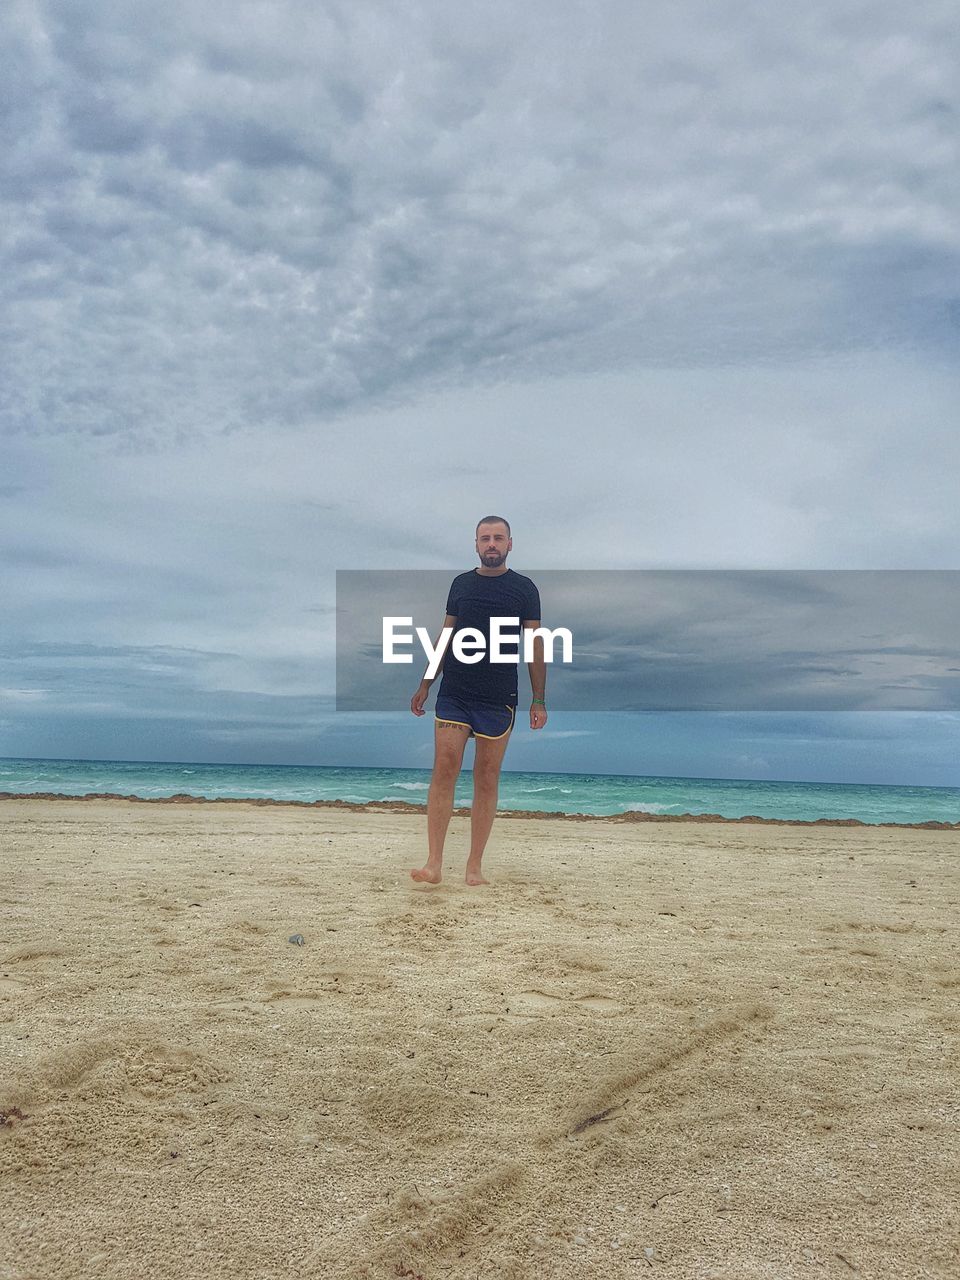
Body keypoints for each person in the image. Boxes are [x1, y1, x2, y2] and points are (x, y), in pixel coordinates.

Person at [409, 516, 546, 886]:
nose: (491, 544)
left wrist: (539, 699)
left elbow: (535, 646)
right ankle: (434, 864)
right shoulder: (461, 585)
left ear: (510, 544)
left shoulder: (524, 589)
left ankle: (474, 867)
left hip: (498, 696)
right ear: (475, 544)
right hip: (455, 691)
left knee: (486, 777)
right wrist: (426, 683)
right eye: (485, 538)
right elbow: (445, 637)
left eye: (498, 538)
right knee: (445, 766)